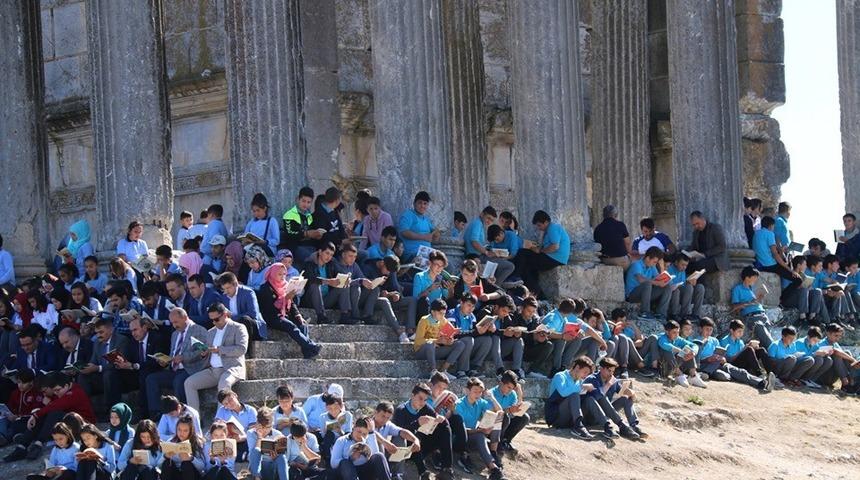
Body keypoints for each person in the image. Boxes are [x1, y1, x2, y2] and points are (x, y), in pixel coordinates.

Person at [3, 371, 95, 462]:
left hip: (82, 425)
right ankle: (22, 447)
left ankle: (38, 443)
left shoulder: (75, 392)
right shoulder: (62, 392)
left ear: (67, 385)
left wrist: (36, 415)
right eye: (54, 391)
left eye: (58, 390)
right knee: (43, 415)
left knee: (53, 413)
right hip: (67, 424)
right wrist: (36, 415)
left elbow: (57, 405)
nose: (56, 393)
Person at [184, 303, 249, 412]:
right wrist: (205, 353)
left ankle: (221, 419)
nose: (214, 322)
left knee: (224, 382)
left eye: (217, 319)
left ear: (225, 315)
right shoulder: (211, 332)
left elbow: (241, 349)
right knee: (189, 383)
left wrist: (220, 349)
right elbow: (210, 350)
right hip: (213, 370)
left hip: (232, 368)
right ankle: (194, 420)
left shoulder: (238, 327)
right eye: (212, 320)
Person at [144, 308, 209, 414]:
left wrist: (184, 357)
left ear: (184, 317)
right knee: (151, 379)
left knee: (178, 381)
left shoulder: (198, 330)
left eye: (176, 322)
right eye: (172, 323)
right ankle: (156, 413)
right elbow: (173, 353)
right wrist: (166, 361)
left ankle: (182, 413)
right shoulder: (175, 334)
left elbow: (202, 351)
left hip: (191, 369)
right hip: (174, 369)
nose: (174, 325)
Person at [257, 262, 322, 359]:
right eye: (279, 274)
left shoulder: (285, 285)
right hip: (273, 316)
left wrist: (298, 315)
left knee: (302, 324)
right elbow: (269, 308)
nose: (282, 277)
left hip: (285, 314)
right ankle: (311, 345)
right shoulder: (265, 288)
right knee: (290, 325)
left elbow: (291, 304)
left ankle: (308, 352)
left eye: (284, 274)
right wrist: (285, 298)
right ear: (273, 273)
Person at [391, 383, 455, 480]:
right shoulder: (401, 410)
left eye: (425, 400)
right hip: (408, 448)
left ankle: (446, 469)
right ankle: (423, 472)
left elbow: (437, 418)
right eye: (420, 398)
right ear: (412, 396)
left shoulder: (425, 407)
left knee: (445, 427)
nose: (422, 402)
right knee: (413, 438)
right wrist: (417, 423)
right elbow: (399, 433)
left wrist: (441, 419)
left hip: (424, 445)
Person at [696, 317, 775, 392]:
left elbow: (722, 354)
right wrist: (708, 359)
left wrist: (723, 358)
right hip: (705, 363)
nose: (709, 332)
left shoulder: (715, 340)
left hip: (719, 363)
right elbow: (696, 360)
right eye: (707, 329)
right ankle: (705, 373)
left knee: (739, 372)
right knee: (724, 374)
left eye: (711, 330)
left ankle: (763, 382)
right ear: (700, 329)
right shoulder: (696, 341)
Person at [78, 317, 135, 408]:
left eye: (101, 332)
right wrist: (85, 368)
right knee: (83, 377)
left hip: (121, 376)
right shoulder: (97, 343)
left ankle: (110, 409)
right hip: (103, 376)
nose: (98, 335)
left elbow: (119, 363)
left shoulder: (121, 340)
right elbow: (93, 362)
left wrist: (98, 368)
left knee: (109, 374)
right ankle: (86, 409)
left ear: (111, 330)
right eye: (96, 333)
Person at [582, 357, 644, 440]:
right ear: (601, 369)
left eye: (613, 371)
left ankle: (634, 426)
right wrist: (608, 384)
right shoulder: (592, 379)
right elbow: (598, 397)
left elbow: (622, 391)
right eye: (609, 371)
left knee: (625, 398)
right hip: (591, 416)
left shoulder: (612, 380)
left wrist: (631, 393)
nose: (611, 374)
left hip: (606, 414)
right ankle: (620, 425)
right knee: (602, 397)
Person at [514, 210, 570, 299]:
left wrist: (540, 251)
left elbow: (555, 246)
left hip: (554, 258)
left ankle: (515, 277)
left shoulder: (553, 228)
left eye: (539, 225)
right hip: (554, 258)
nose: (539, 228)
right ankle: (537, 294)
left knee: (522, 253)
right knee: (528, 268)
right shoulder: (550, 229)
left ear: (546, 222)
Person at [542, 298, 606, 373]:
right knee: (561, 341)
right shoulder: (555, 317)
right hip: (547, 344)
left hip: (557, 342)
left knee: (576, 339)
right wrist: (562, 336)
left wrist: (578, 332)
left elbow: (567, 330)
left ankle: (564, 366)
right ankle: (557, 369)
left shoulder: (563, 317)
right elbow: (546, 332)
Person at [414, 299, 470, 379]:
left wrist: (449, 341)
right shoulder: (424, 320)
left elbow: (451, 332)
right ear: (433, 312)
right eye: (440, 313)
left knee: (460, 344)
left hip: (436, 350)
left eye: (444, 313)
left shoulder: (443, 320)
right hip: (422, 351)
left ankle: (443, 370)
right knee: (430, 344)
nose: (442, 316)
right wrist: (436, 341)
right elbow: (418, 341)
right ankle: (434, 372)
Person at [301, 242, 353, 325]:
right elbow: (310, 279)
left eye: (331, 255)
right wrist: (328, 281)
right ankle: (321, 317)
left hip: (326, 300)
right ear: (320, 252)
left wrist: (347, 279)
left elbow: (341, 273)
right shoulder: (309, 263)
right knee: (315, 284)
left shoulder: (331, 263)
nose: (329, 257)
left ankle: (345, 316)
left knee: (344, 284)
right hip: (310, 300)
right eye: (327, 253)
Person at [545, 356, 595, 440]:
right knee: (574, 395)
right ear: (577, 367)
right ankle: (578, 427)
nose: (586, 376)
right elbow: (563, 392)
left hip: (569, 418)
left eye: (588, 374)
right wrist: (581, 386)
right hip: (556, 418)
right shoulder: (560, 376)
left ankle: (606, 425)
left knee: (589, 399)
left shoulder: (579, 380)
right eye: (585, 372)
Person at [464, 206, 516, 285]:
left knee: (500, 260)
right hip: (476, 256)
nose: (489, 221)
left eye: (491, 220)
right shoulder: (477, 223)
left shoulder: (478, 223)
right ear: (482, 214)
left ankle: (495, 285)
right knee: (510, 266)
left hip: (479, 255)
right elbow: (474, 242)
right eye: (488, 218)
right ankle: (495, 286)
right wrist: (487, 252)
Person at [754, 216, 802, 292]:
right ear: (771, 226)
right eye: (773, 226)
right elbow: (775, 255)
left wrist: (781, 251)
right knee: (798, 280)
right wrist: (791, 271)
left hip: (760, 263)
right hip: (769, 265)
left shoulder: (756, 233)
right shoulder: (770, 234)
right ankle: (782, 299)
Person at [218, 272, 268, 341]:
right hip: (233, 326)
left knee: (245, 320)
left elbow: (253, 314)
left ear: (235, 284)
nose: (226, 291)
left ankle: (246, 350)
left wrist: (232, 317)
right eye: (224, 289)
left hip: (252, 327)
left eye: (228, 288)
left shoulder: (248, 293)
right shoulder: (224, 297)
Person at [624, 247, 671, 320]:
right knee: (647, 284)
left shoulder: (652, 266)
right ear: (648, 258)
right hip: (632, 295)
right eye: (654, 262)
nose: (655, 264)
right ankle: (645, 312)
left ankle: (661, 313)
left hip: (646, 294)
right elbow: (641, 279)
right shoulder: (637, 265)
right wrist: (657, 283)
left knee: (667, 287)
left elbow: (658, 277)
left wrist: (664, 280)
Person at [488, 371, 530, 453]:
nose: (510, 390)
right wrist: (509, 410)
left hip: (504, 425)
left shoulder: (512, 394)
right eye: (508, 387)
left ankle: (506, 441)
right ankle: (497, 442)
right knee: (504, 417)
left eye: (512, 388)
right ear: (501, 383)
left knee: (524, 417)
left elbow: (516, 410)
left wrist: (519, 393)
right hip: (491, 427)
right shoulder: (491, 393)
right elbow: (492, 413)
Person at [657, 320, 707, 388]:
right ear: (667, 332)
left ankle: (693, 376)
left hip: (674, 365)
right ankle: (679, 374)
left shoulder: (678, 339)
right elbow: (664, 345)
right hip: (663, 367)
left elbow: (693, 345)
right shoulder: (662, 338)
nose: (676, 335)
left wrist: (693, 352)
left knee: (688, 349)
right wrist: (677, 349)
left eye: (678, 332)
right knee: (667, 351)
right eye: (674, 332)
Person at [0, 368, 42, 446]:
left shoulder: (37, 394)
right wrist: (7, 413)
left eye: (23, 383)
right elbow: (10, 406)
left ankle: (6, 438)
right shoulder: (15, 393)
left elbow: (35, 412)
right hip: (12, 418)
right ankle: (13, 436)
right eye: (19, 382)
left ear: (31, 382)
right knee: (2, 420)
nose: (20, 385)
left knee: (17, 426)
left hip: (26, 420)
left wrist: (18, 417)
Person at [214, 389, 257, 462]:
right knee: (217, 445)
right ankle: (243, 456)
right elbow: (215, 428)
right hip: (229, 441)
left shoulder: (250, 410)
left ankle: (242, 456)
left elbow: (253, 432)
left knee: (252, 441)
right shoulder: (222, 410)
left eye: (230, 400)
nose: (229, 404)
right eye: (226, 404)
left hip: (245, 440)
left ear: (235, 395)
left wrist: (241, 438)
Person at [412, 250, 455, 322]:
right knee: (424, 300)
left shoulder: (441, 278)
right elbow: (416, 298)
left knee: (453, 301)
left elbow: (448, 297)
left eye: (442, 266)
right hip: (423, 310)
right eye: (437, 265)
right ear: (430, 263)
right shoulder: (419, 276)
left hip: (437, 310)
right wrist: (429, 289)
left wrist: (451, 289)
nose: (439, 268)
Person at [281, 187, 322, 262]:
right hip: (296, 247)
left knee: (324, 256)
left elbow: (312, 233)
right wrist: (306, 234)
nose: (306, 204)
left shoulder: (309, 216)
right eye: (303, 201)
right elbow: (289, 234)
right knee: (313, 259)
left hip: (310, 246)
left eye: (309, 202)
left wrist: (317, 235)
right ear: (298, 199)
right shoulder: (289, 215)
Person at [160, 414, 206, 480]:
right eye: (179, 430)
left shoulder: (197, 443)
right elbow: (158, 464)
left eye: (185, 430)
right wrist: (165, 456)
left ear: (190, 431)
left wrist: (191, 458)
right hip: (176, 473)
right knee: (166, 463)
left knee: (186, 464)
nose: (181, 433)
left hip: (192, 474)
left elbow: (203, 467)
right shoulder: (171, 441)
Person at [519, 297, 555, 379]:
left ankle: (533, 370)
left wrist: (541, 337)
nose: (531, 314)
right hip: (518, 349)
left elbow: (538, 333)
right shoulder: (516, 317)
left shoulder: (535, 320)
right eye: (528, 311)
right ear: (522, 309)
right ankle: (519, 369)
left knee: (549, 345)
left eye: (533, 311)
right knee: (519, 342)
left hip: (530, 350)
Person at [398, 191, 440, 260]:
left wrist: (436, 234)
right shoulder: (408, 214)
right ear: (414, 204)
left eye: (425, 203)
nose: (422, 206)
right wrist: (424, 237)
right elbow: (404, 232)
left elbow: (435, 234)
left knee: (442, 263)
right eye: (420, 203)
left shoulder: (426, 219)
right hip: (413, 255)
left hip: (427, 254)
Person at [666, 253, 704, 320]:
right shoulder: (669, 269)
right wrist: (687, 283)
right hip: (674, 295)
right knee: (688, 288)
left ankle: (696, 315)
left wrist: (690, 282)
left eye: (686, 265)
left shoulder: (682, 270)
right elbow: (671, 286)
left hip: (685, 295)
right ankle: (684, 315)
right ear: (676, 262)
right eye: (682, 264)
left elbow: (683, 284)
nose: (684, 267)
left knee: (700, 287)